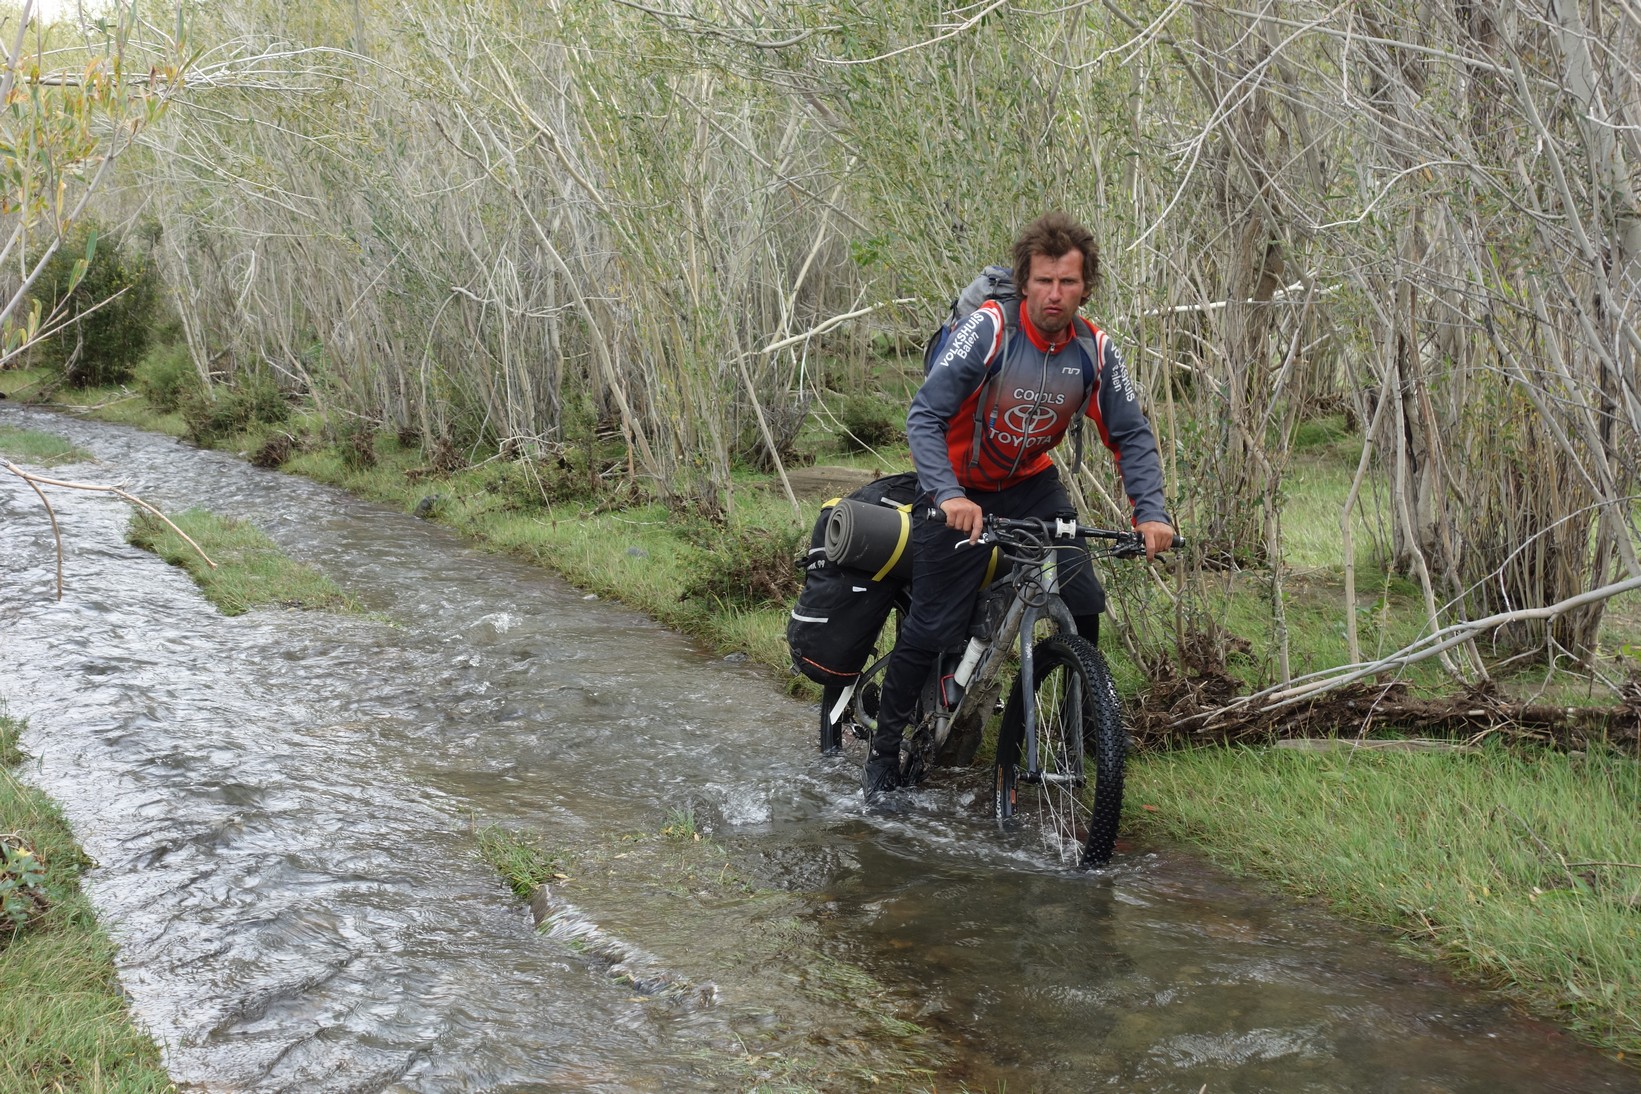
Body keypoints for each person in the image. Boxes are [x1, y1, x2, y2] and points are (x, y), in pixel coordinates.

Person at [863, 211, 1175, 802]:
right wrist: (949, 495)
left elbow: (1130, 433)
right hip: (957, 485)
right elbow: (925, 416)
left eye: (1069, 283)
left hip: (1030, 483)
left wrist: (1151, 513)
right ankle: (882, 756)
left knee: (1082, 599)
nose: (1055, 295)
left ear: (1087, 287)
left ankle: (1086, 727)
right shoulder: (989, 332)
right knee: (933, 627)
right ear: (1024, 282)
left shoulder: (1095, 348)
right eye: (1043, 282)